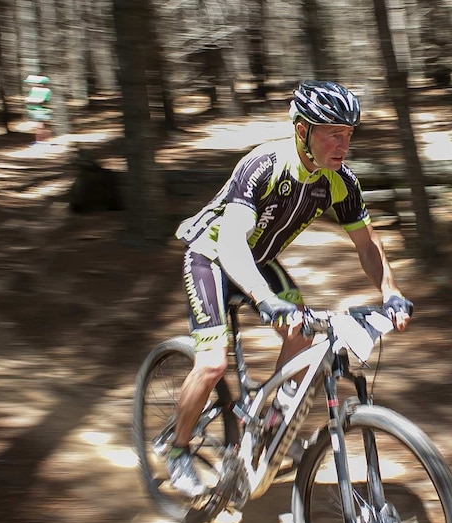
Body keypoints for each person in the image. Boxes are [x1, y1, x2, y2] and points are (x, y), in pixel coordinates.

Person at [168, 80, 415, 497]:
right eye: (332, 132)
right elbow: (231, 243)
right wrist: (265, 300)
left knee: (304, 333)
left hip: (258, 261)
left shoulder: (341, 181)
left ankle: (269, 426)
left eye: (349, 134)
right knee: (211, 364)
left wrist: (390, 291)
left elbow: (369, 246)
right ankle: (177, 451)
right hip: (212, 257)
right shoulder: (263, 166)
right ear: (302, 130)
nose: (343, 143)